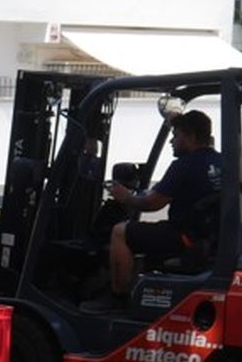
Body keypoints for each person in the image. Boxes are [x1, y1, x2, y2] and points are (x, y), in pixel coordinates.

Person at [92, 109, 223, 308]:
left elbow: (152, 204)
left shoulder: (184, 165)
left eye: (176, 136)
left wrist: (126, 197)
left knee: (120, 232)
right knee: (147, 231)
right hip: (206, 237)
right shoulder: (222, 162)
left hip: (184, 238)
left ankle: (116, 297)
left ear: (191, 136)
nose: (172, 141)